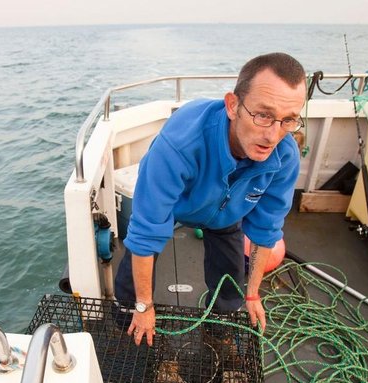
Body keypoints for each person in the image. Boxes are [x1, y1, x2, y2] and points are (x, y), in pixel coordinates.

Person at [115, 52, 307, 347]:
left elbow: (266, 230)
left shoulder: (284, 156)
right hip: (178, 204)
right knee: (136, 271)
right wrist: (144, 305)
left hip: (228, 214)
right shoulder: (179, 144)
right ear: (232, 105)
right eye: (263, 115)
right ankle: (130, 321)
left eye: (288, 120)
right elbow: (145, 233)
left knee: (231, 286)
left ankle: (219, 335)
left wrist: (253, 294)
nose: (273, 135)